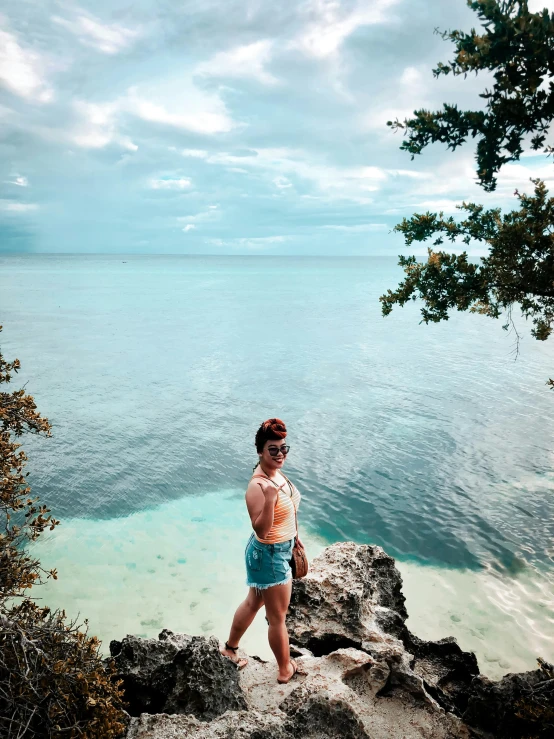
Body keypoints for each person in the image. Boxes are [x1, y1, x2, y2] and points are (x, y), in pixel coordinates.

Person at [219, 418, 306, 684]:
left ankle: (230, 649)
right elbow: (262, 531)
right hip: (268, 554)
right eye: (273, 449)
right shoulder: (257, 487)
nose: (280, 454)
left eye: (283, 448)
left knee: (253, 602)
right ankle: (284, 669)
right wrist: (269, 500)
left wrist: (296, 538)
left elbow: (290, 506)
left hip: (276, 550)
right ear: (260, 451)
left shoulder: (276, 473)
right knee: (277, 617)